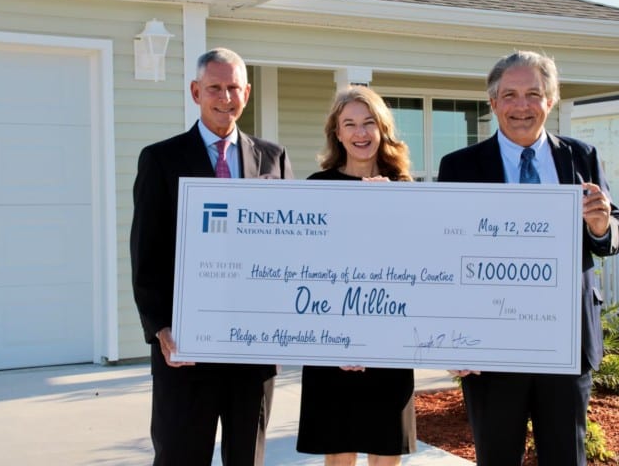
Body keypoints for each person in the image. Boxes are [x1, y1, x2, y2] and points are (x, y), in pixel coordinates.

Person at [437, 50, 619, 466]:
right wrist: (451, 333)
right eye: (510, 95)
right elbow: (445, 255)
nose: (521, 106)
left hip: (566, 342)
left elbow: (613, 234)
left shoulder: (582, 158)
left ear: (551, 101)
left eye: (533, 94)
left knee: (564, 457)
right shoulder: (460, 167)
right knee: (497, 456)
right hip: (490, 346)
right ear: (493, 103)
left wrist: (599, 226)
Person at [130, 47, 294, 466]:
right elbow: (145, 253)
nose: (226, 97)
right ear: (195, 91)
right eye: (215, 88)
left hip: (251, 351)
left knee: (247, 459)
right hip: (186, 348)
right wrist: (160, 328)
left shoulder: (273, 158)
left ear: (248, 92)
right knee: (181, 456)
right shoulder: (161, 159)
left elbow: (290, 250)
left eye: (234, 88)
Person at [296, 85, 416, 466]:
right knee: (339, 448)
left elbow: (415, 267)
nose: (360, 133)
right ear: (337, 132)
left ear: (383, 129)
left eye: (368, 123)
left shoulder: (404, 190)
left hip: (389, 339)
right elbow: (309, 266)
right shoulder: (317, 187)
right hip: (332, 340)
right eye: (350, 124)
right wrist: (338, 341)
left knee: (385, 447)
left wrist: (389, 210)